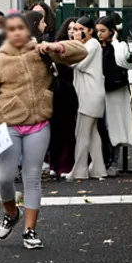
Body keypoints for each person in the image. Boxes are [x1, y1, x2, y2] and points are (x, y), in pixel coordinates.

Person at [0, 13, 86, 250]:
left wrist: (57, 46)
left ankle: (30, 230)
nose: (16, 33)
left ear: (28, 31)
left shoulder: (42, 51)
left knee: (32, 178)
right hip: (9, 126)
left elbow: (80, 51)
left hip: (39, 124)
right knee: (4, 179)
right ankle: (11, 213)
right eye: (11, 29)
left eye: (20, 28)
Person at [67, 16, 107, 181]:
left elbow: (77, 62)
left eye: (81, 29)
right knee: (92, 134)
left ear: (91, 31)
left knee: (82, 133)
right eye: (75, 29)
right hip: (89, 94)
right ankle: (99, 169)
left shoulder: (92, 45)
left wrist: (75, 44)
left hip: (90, 95)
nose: (77, 33)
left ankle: (79, 171)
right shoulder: (89, 44)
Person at [97, 14, 132, 176]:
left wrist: (115, 43)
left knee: (114, 127)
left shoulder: (119, 46)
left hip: (116, 92)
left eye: (103, 31)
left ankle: (114, 162)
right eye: (97, 31)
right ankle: (104, 161)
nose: (99, 34)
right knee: (101, 128)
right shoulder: (95, 47)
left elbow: (125, 61)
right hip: (99, 93)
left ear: (112, 31)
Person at [47, 18, 80, 178]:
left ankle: (66, 164)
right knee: (56, 130)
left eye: (76, 28)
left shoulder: (82, 48)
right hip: (59, 92)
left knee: (69, 130)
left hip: (74, 92)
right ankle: (54, 164)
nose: (73, 31)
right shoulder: (56, 46)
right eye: (70, 28)